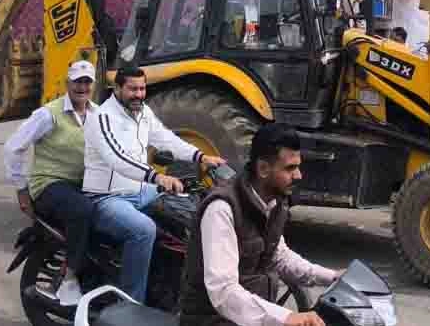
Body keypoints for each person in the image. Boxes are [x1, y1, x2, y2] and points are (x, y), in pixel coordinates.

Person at [83, 67, 227, 305]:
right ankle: (130, 304)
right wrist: (157, 177)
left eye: (142, 88)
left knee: (189, 205)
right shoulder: (102, 117)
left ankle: (169, 282)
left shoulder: (142, 112)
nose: (139, 94)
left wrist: (200, 157)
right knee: (144, 230)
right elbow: (117, 158)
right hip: (107, 197)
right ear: (117, 88)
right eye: (133, 89)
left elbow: (165, 138)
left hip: (140, 191)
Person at [179, 122, 340, 326]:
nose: (299, 175)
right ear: (263, 168)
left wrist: (332, 277)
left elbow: (279, 256)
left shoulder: (274, 202)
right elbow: (224, 291)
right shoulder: (222, 209)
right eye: (290, 168)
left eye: (298, 166)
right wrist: (286, 317)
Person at [3, 59, 99, 306]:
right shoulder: (48, 114)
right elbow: (13, 148)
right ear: (67, 83)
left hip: (83, 184)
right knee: (82, 210)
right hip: (50, 184)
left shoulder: (99, 114)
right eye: (77, 82)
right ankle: (69, 280)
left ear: (94, 85)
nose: (82, 87)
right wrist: (22, 190)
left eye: (87, 82)